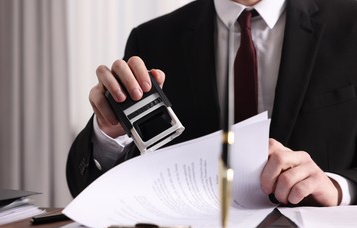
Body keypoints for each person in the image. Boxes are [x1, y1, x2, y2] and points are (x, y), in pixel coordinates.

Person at [66, 0, 357, 207]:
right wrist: (108, 134)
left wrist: (338, 187)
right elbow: (90, 191)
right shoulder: (152, 39)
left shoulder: (351, 25)